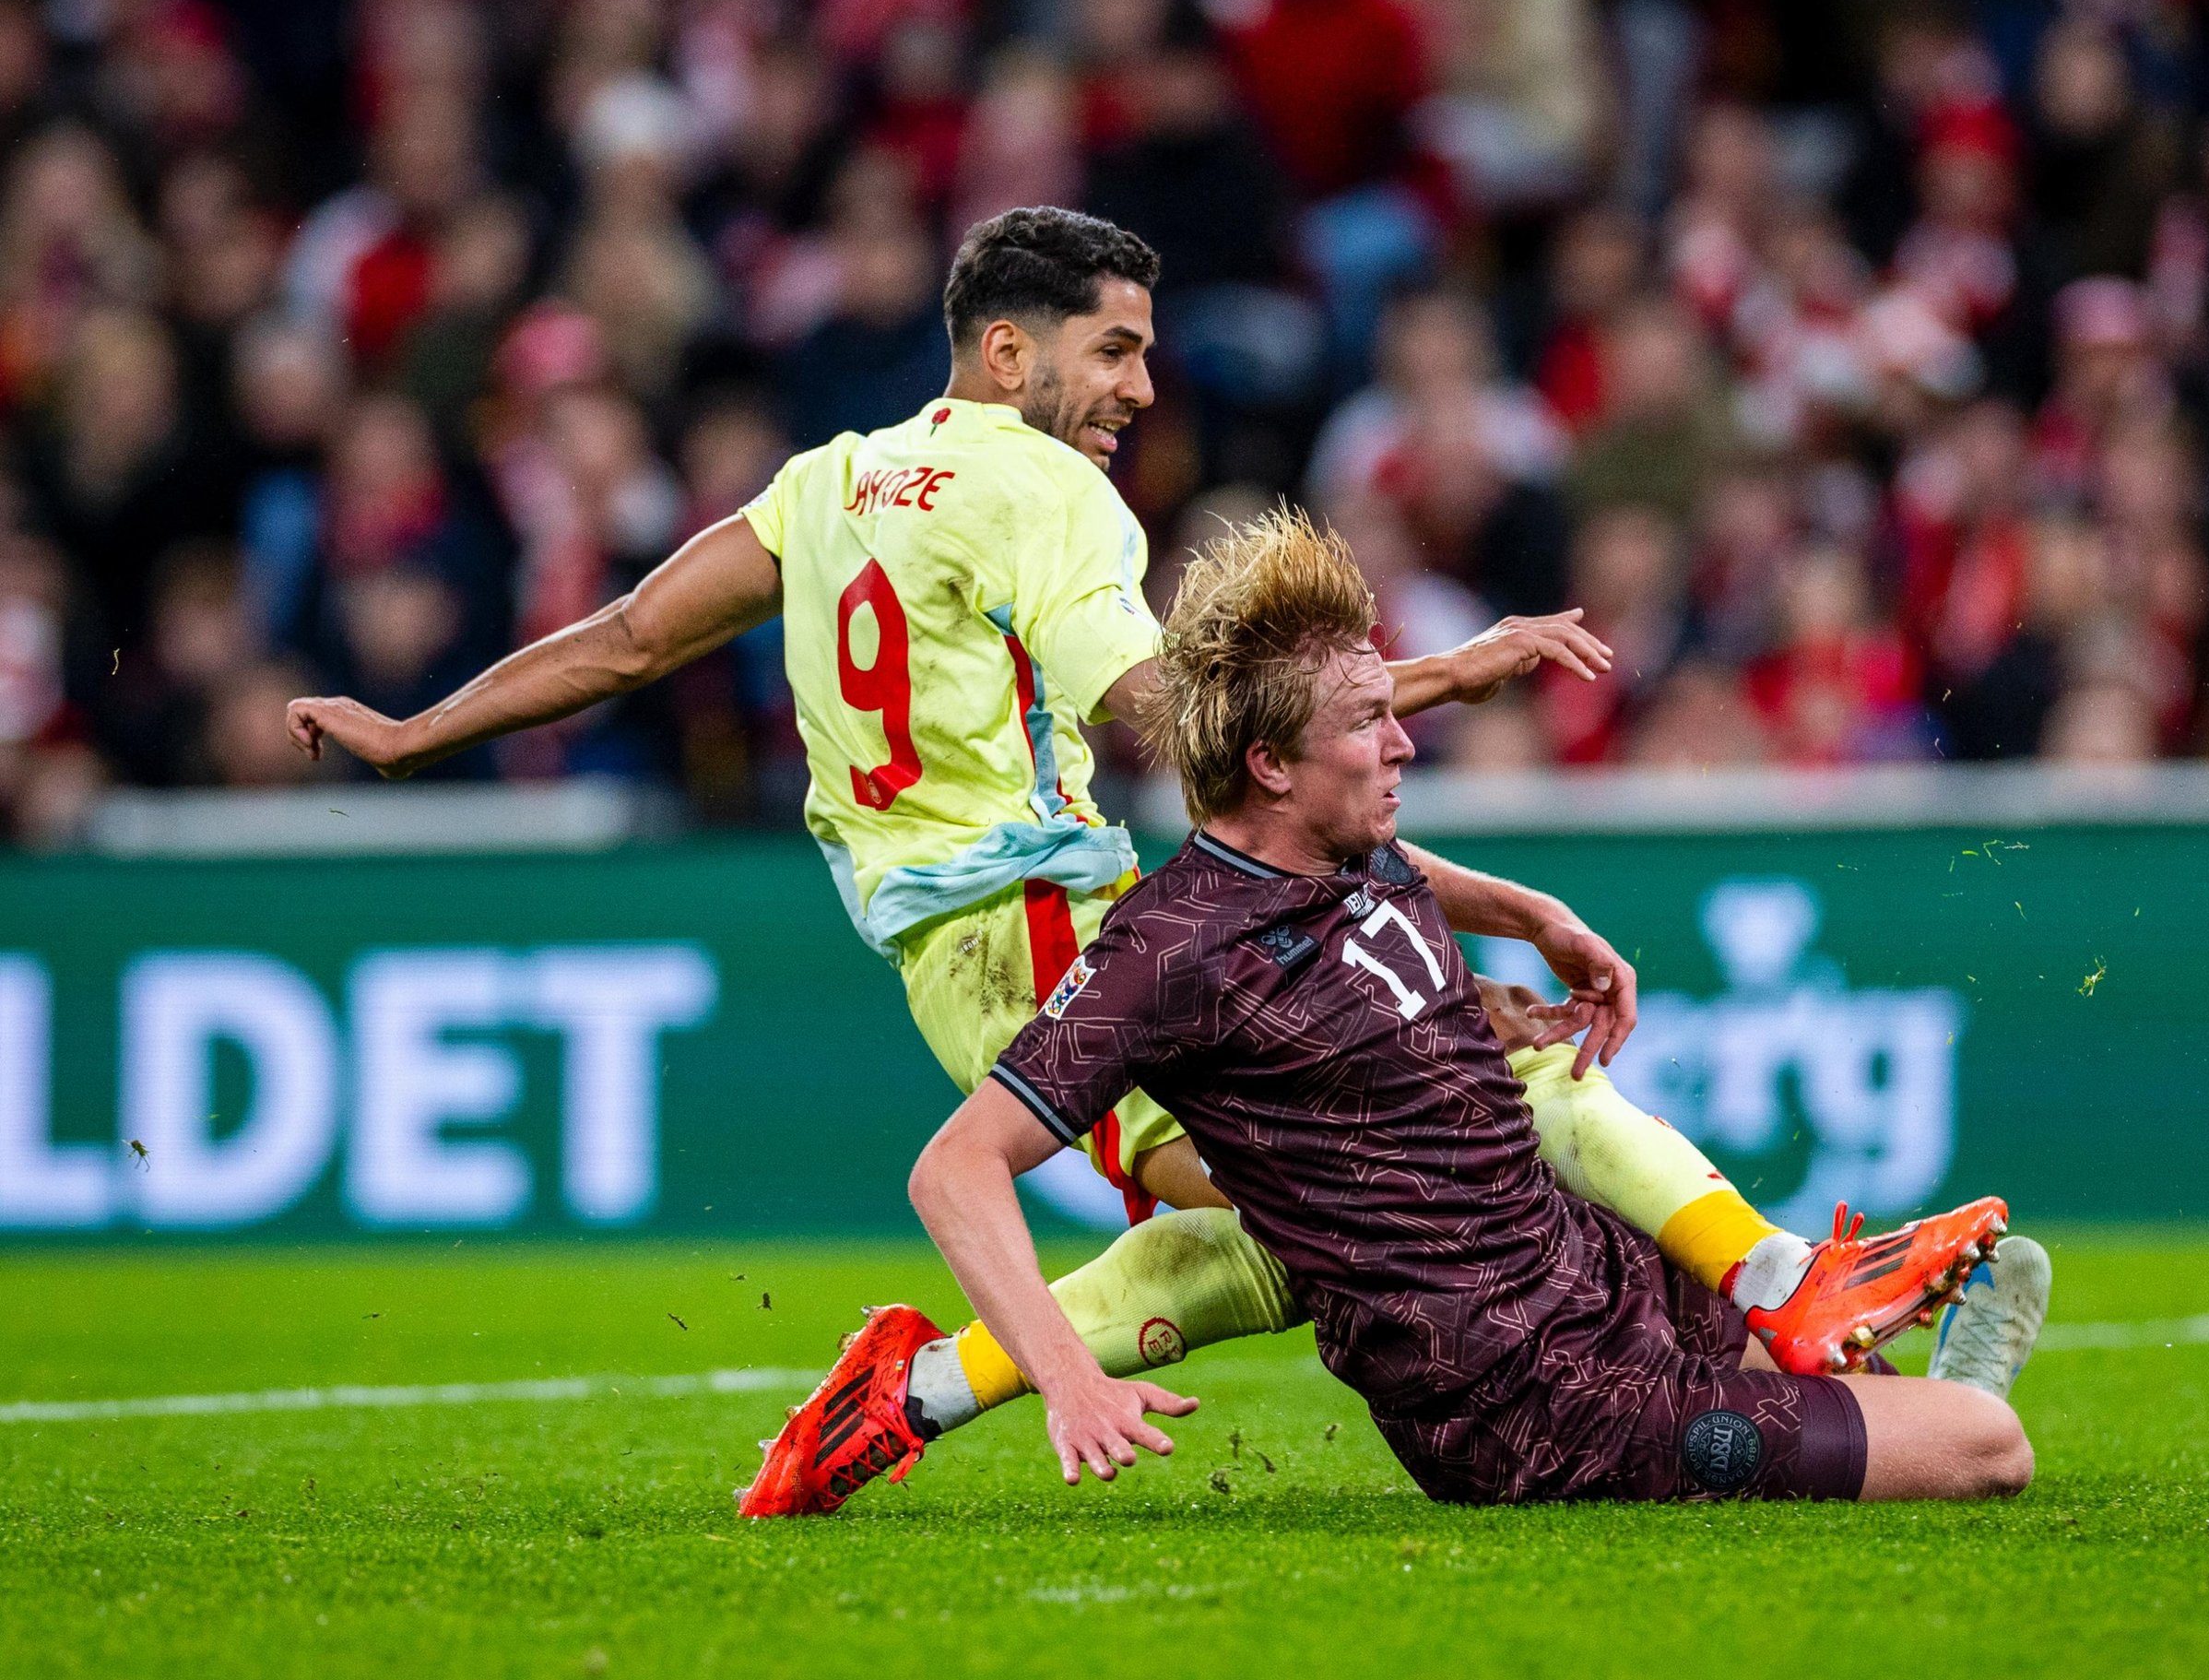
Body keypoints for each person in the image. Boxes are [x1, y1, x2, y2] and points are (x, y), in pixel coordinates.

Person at [281, 207, 1992, 1497]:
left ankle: (918, 1388)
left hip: (973, 939)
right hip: (1042, 925)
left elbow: (630, 636)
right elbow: (1201, 725)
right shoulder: (1044, 495)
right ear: (1010, 354)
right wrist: (1431, 680)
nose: (1140, 386)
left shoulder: (829, 483)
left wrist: (422, 729)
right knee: (1442, 1106)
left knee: (1307, 1216)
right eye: (1115, 350)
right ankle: (1790, 1275)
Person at [819, 508, 2049, 1507]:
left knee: (1842, 1371)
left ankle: (1819, 1313)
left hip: (1592, 1270)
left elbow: (1409, 892)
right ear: (1271, 766)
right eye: (1369, 720)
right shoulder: (1170, 946)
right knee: (1988, 1447)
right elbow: (957, 1167)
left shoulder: (1353, 847)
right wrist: (1067, 1375)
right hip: (1531, 1403)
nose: (1407, 743)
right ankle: (1905, 1357)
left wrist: (1539, 920)